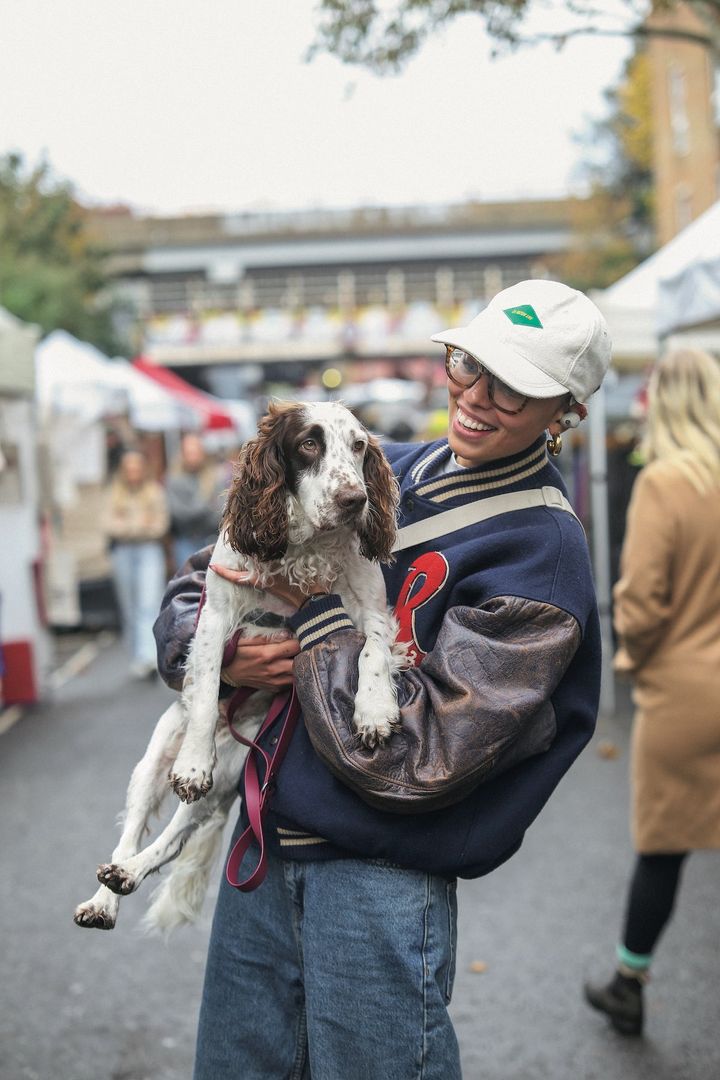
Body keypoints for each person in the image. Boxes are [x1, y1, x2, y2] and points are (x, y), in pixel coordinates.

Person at [153, 279, 612, 1079]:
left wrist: (315, 621)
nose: (477, 396)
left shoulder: (544, 557)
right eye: (469, 365)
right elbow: (210, 574)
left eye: (517, 386)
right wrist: (210, 645)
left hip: (381, 881)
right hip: (262, 847)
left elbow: (416, 762)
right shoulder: (378, 464)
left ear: (566, 412)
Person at [584, 347, 720, 1037]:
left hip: (687, 693)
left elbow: (639, 601)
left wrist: (634, 652)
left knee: (664, 846)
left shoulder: (668, 482)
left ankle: (629, 982)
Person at [104, 448, 169, 678]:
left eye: (136, 468)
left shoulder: (155, 492)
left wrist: (129, 525)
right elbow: (110, 525)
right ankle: (137, 654)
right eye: (128, 469)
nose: (133, 473)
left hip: (149, 550)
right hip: (122, 553)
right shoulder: (114, 493)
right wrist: (140, 524)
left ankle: (147, 656)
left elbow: (159, 525)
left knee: (148, 602)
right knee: (129, 605)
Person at [166, 432, 226, 570]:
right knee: (188, 586)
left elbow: (221, 512)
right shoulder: (174, 480)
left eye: (196, 452)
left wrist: (195, 510)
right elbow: (178, 515)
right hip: (185, 541)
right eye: (189, 452)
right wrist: (206, 505)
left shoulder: (215, 479)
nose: (193, 456)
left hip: (211, 540)